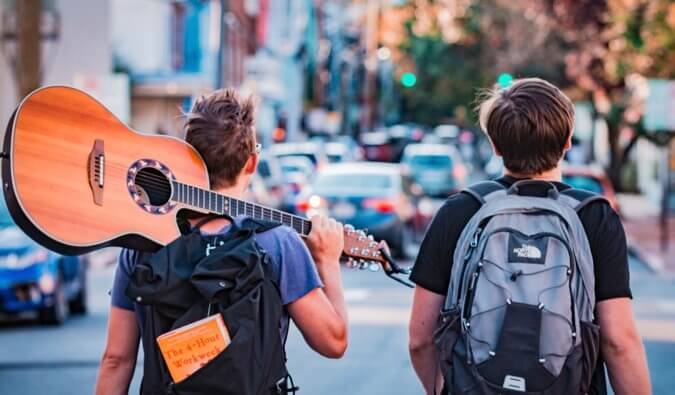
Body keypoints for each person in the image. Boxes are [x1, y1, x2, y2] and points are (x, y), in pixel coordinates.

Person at [95, 89, 348, 394]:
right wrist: (328, 262)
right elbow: (333, 342)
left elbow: (116, 359)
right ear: (251, 163)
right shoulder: (276, 242)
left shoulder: (143, 243)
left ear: (186, 157)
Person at [408, 78, 651, 395]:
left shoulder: (460, 211)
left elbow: (420, 339)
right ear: (567, 142)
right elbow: (619, 341)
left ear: (495, 145)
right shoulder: (594, 216)